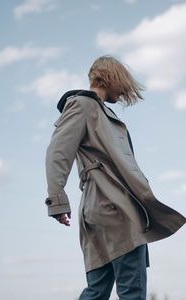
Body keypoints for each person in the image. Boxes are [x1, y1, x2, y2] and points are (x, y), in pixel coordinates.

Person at [44, 55, 186, 300]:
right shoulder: (83, 105)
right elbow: (58, 151)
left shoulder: (93, 109)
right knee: (132, 291)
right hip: (116, 209)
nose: (124, 91)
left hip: (98, 209)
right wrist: (56, 199)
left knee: (97, 291)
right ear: (110, 77)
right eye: (123, 82)